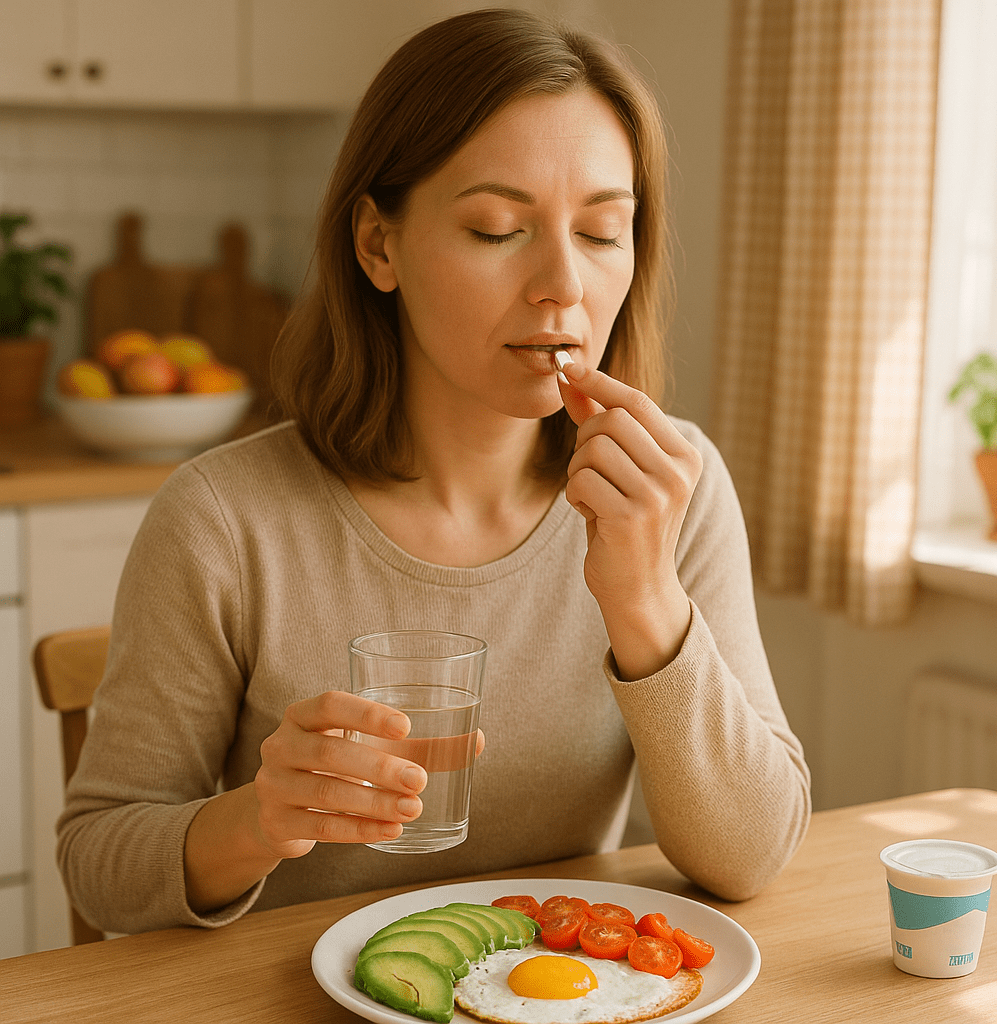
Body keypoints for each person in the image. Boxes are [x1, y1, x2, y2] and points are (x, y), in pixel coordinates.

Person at [58, 7, 811, 935]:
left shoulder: (671, 490)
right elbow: (97, 864)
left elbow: (753, 856)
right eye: (499, 229)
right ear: (378, 245)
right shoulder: (223, 519)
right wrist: (255, 819)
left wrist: (647, 600)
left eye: (602, 232)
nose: (563, 286)